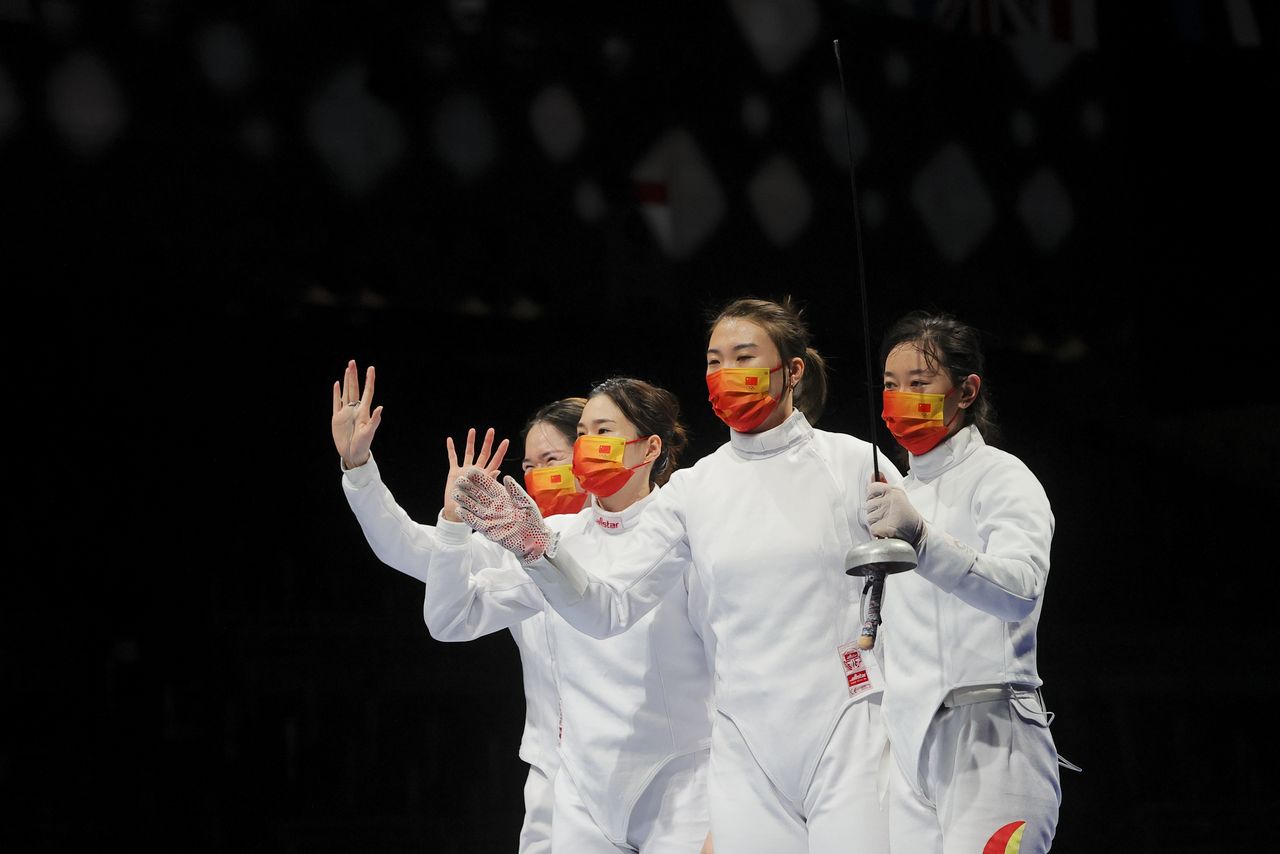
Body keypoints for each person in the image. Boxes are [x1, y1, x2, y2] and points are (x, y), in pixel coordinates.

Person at [453, 296, 900, 854]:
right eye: (714, 361)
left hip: (846, 723)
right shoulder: (695, 490)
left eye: (742, 356)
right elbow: (608, 608)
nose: (724, 374)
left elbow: (913, 599)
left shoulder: (855, 463)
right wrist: (536, 547)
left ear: (793, 371)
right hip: (745, 748)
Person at [425, 377, 715, 853]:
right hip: (583, 788)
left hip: (680, 781)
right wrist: (453, 524)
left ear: (650, 447)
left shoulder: (685, 530)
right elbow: (452, 620)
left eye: (603, 430)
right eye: (582, 433)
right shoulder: (554, 534)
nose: (586, 446)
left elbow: (727, 665)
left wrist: (728, 808)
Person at [330, 360, 568, 854]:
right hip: (555, 773)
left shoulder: (643, 539)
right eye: (526, 466)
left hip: (647, 764)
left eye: (552, 460)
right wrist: (359, 470)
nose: (536, 475)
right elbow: (406, 545)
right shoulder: (510, 555)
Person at [864, 310, 1064, 852]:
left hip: (992, 736)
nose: (901, 396)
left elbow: (1020, 592)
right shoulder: (893, 496)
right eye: (890, 385)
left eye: (919, 384)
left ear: (967, 390)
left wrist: (924, 541)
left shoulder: (1002, 476)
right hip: (908, 744)